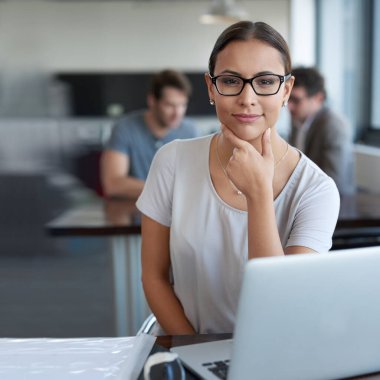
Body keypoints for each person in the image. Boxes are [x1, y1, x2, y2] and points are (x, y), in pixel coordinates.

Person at [136, 21, 340, 335]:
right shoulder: (172, 161)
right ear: (210, 88)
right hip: (185, 350)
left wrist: (259, 194)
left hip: (273, 357)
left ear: (286, 90)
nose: (247, 97)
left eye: (266, 81)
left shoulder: (317, 190)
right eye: (231, 81)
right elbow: (154, 277)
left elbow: (280, 306)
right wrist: (197, 353)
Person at [100, 69, 197, 199]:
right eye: (169, 105)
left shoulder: (191, 131)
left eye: (182, 105)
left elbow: (198, 181)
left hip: (175, 212)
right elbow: (113, 184)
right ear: (152, 101)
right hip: (132, 211)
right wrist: (169, 188)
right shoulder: (124, 128)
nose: (177, 113)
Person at [288, 67, 355, 195]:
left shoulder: (334, 126)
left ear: (318, 98)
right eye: (288, 99)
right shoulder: (298, 119)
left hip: (334, 202)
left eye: (296, 100)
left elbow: (334, 181)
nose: (289, 106)